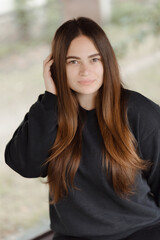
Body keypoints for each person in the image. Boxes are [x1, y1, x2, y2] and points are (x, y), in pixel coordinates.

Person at [4, 17, 160, 240]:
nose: (85, 71)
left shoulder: (139, 112)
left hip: (140, 233)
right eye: (73, 62)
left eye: (94, 59)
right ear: (56, 67)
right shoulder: (48, 112)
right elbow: (25, 165)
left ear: (106, 61)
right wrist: (51, 100)